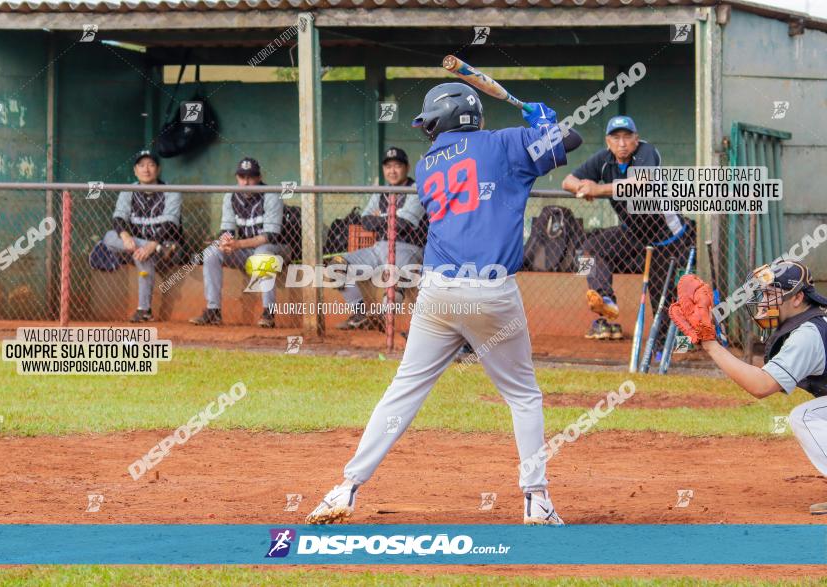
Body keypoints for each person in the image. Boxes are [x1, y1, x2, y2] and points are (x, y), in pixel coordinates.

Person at [306, 82, 582, 526]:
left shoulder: (430, 163)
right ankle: (536, 499)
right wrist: (544, 121)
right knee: (523, 395)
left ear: (444, 122)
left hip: (437, 290)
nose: (429, 132)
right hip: (493, 290)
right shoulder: (506, 142)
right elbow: (569, 141)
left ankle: (346, 488)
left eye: (430, 124)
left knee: (404, 389)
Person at [669, 261, 827, 514]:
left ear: (797, 298)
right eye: (763, 295)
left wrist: (710, 345)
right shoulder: (813, 323)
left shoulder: (807, 334)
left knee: (806, 417)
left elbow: (761, 386)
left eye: (772, 294)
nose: (764, 302)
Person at [561, 116, 694, 348]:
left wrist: (598, 188)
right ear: (608, 141)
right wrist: (582, 189)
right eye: (616, 137)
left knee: (660, 294)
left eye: (627, 137)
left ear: (636, 139)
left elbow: (639, 184)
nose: (621, 143)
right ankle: (606, 300)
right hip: (632, 232)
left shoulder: (646, 152)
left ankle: (668, 346)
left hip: (666, 236)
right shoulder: (603, 160)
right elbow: (567, 181)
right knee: (588, 250)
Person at [334, 147, 426, 331]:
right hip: (378, 248)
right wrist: (390, 218)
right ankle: (359, 315)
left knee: (396, 279)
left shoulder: (416, 189)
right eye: (388, 166)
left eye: (397, 166)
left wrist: (380, 218)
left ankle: (384, 321)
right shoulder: (381, 191)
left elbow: (404, 224)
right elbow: (365, 221)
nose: (392, 171)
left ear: (407, 167)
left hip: (407, 248)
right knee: (335, 266)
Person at [190, 157, 287, 328]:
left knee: (262, 253)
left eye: (250, 177)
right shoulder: (231, 196)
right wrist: (224, 243)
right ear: (237, 177)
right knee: (211, 252)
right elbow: (225, 232)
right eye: (242, 177)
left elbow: (270, 236)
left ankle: (268, 312)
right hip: (247, 249)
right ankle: (213, 311)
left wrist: (238, 245)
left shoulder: (271, 194)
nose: (246, 182)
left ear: (259, 177)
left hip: (279, 249)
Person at [102, 150, 182, 323]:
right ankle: (145, 310)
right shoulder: (128, 191)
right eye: (141, 165)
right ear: (135, 170)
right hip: (143, 248)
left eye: (151, 165)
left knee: (142, 255)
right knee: (110, 237)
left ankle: (144, 309)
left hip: (169, 248)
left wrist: (153, 245)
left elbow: (170, 226)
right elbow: (118, 219)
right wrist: (124, 236)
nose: (146, 169)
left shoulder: (171, 191)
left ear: (158, 169)